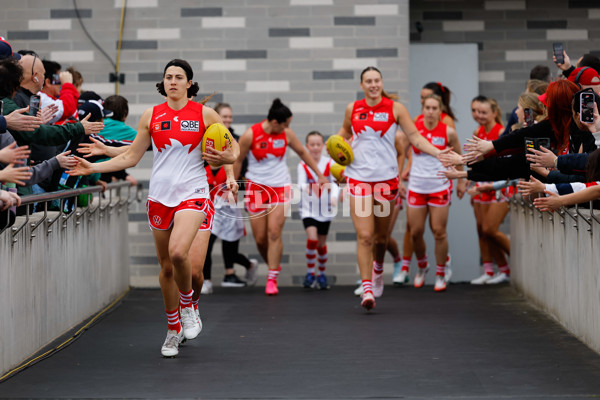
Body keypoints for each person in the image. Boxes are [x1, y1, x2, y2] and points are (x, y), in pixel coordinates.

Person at [67, 59, 239, 358]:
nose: (172, 81)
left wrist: (228, 166)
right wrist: (92, 166)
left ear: (189, 83)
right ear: (163, 82)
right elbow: (132, 156)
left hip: (193, 194)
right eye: (168, 77)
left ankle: (188, 307)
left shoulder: (204, 113)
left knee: (178, 253)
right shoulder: (151, 115)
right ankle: (173, 331)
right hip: (160, 198)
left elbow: (232, 149)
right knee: (168, 268)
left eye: (179, 77)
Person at [336, 66, 445, 310]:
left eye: (377, 80)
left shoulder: (395, 108)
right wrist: (335, 147)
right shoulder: (352, 109)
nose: (373, 84)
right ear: (362, 85)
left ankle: (377, 269)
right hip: (359, 179)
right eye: (368, 81)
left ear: (381, 83)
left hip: (386, 181)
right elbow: (343, 134)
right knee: (365, 236)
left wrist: (439, 153)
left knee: (381, 238)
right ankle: (367, 289)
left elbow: (415, 138)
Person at [234, 98, 328, 296]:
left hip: (280, 187)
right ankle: (273, 264)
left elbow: (303, 152)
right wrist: (233, 185)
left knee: (274, 232)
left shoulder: (286, 134)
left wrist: (319, 174)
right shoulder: (251, 135)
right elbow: (239, 159)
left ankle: (272, 277)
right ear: (275, 122)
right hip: (256, 189)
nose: (288, 128)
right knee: (260, 239)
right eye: (286, 124)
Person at [197, 102, 257, 296]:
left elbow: (242, 166)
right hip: (209, 201)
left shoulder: (235, 141)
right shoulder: (203, 141)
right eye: (224, 116)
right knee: (207, 241)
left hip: (228, 199)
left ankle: (239, 269)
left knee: (231, 246)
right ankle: (206, 280)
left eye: (230, 117)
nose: (227, 120)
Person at [406, 94, 465, 292]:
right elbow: (402, 151)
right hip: (416, 185)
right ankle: (423, 265)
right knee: (415, 232)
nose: (430, 111)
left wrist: (461, 181)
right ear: (422, 109)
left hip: (439, 185)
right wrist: (401, 173)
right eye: (427, 107)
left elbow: (459, 158)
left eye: (434, 108)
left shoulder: (448, 132)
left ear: (440, 111)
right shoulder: (414, 130)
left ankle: (440, 272)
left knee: (439, 231)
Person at [298, 131, 340, 290]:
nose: (315, 148)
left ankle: (321, 274)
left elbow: (336, 183)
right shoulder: (303, 164)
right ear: (307, 147)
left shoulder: (329, 163)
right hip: (308, 209)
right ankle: (310, 273)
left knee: (321, 244)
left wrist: (334, 196)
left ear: (323, 146)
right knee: (312, 239)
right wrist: (306, 188)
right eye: (312, 145)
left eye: (318, 144)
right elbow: (301, 183)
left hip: (325, 210)